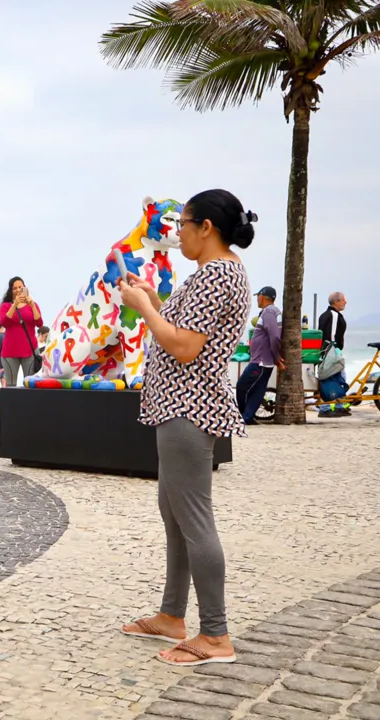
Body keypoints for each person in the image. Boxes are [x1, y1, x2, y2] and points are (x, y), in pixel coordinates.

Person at [118, 189, 254, 667]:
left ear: (206, 228)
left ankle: (215, 635)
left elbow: (184, 346)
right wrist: (153, 298)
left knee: (193, 519)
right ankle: (172, 615)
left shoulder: (217, 274)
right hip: (179, 407)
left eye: (184, 224)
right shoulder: (217, 274)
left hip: (189, 410)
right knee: (175, 513)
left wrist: (145, 307)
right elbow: (184, 328)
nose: (178, 234)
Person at [235, 286, 283, 425]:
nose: (257, 299)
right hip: (262, 360)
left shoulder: (269, 311)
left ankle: (244, 415)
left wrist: (277, 357)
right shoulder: (270, 312)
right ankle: (247, 417)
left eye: (258, 296)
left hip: (261, 360)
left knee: (242, 386)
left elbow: (274, 337)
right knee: (257, 389)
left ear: (262, 296)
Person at [0, 277, 42, 386]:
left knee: (30, 384)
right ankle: (11, 404)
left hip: (29, 351)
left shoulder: (33, 305)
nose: (17, 290)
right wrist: (15, 304)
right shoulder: (5, 306)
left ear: (24, 288)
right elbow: (4, 322)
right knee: (10, 385)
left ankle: (29, 403)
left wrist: (32, 306)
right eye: (15, 288)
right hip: (10, 352)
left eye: (20, 287)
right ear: (11, 291)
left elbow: (39, 323)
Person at [318, 292, 350, 418]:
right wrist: (335, 352)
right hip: (331, 352)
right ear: (336, 302)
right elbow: (331, 336)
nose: (345, 302)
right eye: (343, 300)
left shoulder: (325, 315)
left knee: (338, 377)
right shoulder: (333, 315)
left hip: (326, 351)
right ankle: (326, 408)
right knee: (331, 379)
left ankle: (339, 405)